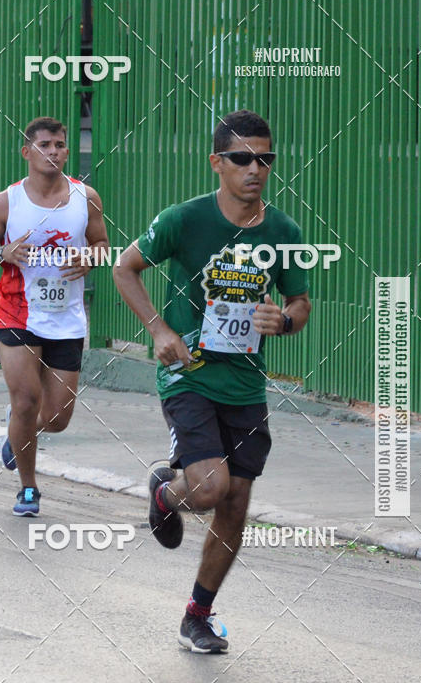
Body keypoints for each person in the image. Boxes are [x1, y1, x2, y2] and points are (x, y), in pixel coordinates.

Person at [113, 109, 311, 653]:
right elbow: (123, 268)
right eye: (243, 158)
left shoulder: (282, 231)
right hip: (190, 376)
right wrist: (158, 329)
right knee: (208, 487)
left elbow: (299, 301)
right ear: (217, 163)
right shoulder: (185, 219)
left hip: (246, 386)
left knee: (236, 499)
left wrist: (287, 320)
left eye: (265, 158)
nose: (256, 168)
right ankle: (167, 492)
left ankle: (197, 615)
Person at [0, 117, 108, 516]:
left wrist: (91, 257)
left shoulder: (87, 197)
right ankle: (28, 489)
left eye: (60, 145)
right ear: (27, 152)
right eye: (45, 145)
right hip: (17, 313)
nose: (54, 152)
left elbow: (101, 243)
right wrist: (2, 254)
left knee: (58, 418)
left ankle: (18, 433)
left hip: (66, 318)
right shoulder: (7, 202)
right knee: (26, 401)